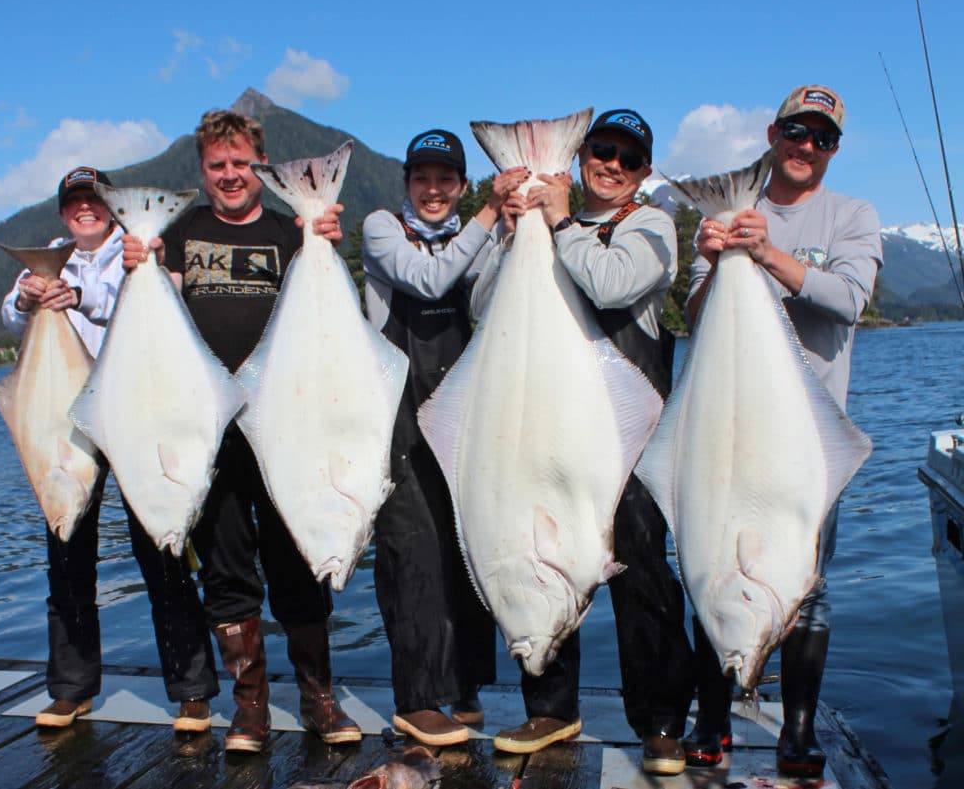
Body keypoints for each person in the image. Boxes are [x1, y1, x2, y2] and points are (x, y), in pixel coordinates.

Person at [123, 110, 360, 754]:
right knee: (226, 570)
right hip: (210, 430)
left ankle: (318, 697)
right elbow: (152, 317)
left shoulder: (293, 232)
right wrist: (136, 262)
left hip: (289, 427)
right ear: (201, 171)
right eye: (216, 165)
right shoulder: (179, 231)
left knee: (299, 561)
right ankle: (249, 707)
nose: (228, 175)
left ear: (260, 167)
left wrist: (323, 237)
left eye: (239, 163)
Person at [479, 110, 696, 776]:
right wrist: (512, 233)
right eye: (600, 149)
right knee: (537, 549)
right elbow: (481, 308)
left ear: (644, 173)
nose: (610, 163)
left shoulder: (652, 226)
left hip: (628, 436)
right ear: (580, 156)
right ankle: (549, 706)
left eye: (626, 157)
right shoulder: (541, 227)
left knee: (642, 572)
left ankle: (660, 719)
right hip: (549, 420)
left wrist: (562, 218)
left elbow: (610, 282)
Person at [683, 85, 882, 778]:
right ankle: (710, 720)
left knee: (810, 586)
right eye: (796, 130)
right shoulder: (730, 213)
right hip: (722, 437)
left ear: (833, 149)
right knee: (707, 570)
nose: (805, 146)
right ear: (772, 132)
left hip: (807, 450)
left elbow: (850, 300)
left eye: (821, 137)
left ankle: (795, 732)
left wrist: (765, 254)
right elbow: (693, 315)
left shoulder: (852, 215)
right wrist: (714, 261)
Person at [2, 166, 219, 732]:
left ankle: (192, 690)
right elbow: (9, 316)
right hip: (64, 420)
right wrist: (29, 297)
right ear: (61, 212)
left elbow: (148, 304)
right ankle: (70, 689)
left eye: (94, 201)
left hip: (132, 413)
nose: (85, 210)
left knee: (163, 548)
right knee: (67, 554)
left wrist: (84, 292)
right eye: (75, 202)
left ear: (112, 209)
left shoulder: (138, 252)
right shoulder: (45, 257)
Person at [361, 129, 508, 745]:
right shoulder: (380, 229)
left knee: (465, 544)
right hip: (396, 415)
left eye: (446, 179)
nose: (433, 190)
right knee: (411, 550)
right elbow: (426, 280)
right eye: (422, 178)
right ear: (406, 183)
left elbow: (488, 297)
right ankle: (417, 699)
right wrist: (492, 215)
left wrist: (513, 231)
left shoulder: (482, 238)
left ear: (461, 184)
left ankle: (466, 685)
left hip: (466, 407)